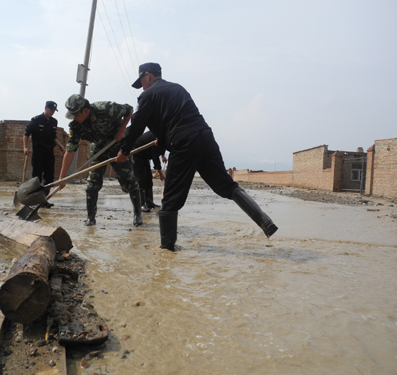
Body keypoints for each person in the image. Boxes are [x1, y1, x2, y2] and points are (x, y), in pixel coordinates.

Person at [117, 63, 278, 251]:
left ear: (147, 76)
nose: (142, 87)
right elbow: (177, 118)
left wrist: (124, 151)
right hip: (205, 137)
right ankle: (265, 222)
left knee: (169, 200)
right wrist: (163, 139)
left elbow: (137, 125)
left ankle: (167, 251)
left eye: (142, 82)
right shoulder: (178, 89)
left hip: (184, 143)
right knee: (226, 186)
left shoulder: (148, 95)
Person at [59, 94, 143, 226]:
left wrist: (121, 131)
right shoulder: (75, 126)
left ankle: (138, 214)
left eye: (75, 114)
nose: (74, 118)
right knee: (92, 182)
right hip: (98, 148)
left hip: (117, 144)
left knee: (127, 179)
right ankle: (90, 218)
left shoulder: (105, 108)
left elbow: (129, 110)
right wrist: (62, 178)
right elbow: (70, 150)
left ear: (85, 111)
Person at [23, 101, 65, 208]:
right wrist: (25, 147)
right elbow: (26, 134)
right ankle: (34, 200)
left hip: (49, 154)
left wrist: (60, 145)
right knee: (37, 178)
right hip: (38, 154)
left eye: (54, 111)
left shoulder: (54, 122)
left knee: (50, 178)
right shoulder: (36, 120)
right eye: (51, 110)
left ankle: (43, 200)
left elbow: (54, 136)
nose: (52, 112)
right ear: (46, 108)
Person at [125, 128, 166, 212]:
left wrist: (163, 156)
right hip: (136, 153)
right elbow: (155, 156)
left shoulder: (164, 135)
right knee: (141, 180)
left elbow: (163, 146)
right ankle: (141, 204)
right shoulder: (156, 135)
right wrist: (160, 173)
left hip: (145, 156)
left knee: (148, 179)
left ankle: (149, 202)